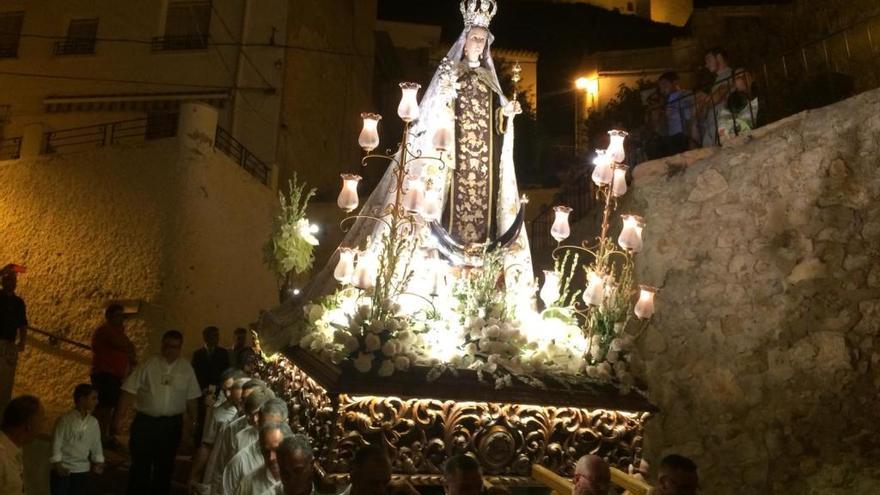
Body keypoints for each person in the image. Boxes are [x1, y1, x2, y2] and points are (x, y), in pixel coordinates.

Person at [117, 330, 201, 495]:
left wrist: (193, 424)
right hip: (146, 423)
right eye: (167, 345)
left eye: (174, 346)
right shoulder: (149, 363)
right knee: (140, 466)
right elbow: (129, 391)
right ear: (162, 345)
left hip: (170, 426)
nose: (170, 349)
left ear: (180, 347)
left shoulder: (186, 368)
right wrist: (117, 419)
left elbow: (192, 399)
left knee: (165, 468)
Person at [206, 386, 275, 494]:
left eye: (258, 414)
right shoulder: (239, 436)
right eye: (252, 414)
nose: (255, 419)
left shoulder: (281, 437)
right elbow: (221, 469)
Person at [188, 369, 247, 494]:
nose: (227, 394)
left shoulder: (254, 414)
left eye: (231, 389)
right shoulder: (219, 413)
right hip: (217, 471)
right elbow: (206, 446)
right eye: (224, 390)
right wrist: (194, 476)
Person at [220, 397, 289, 495]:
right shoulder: (240, 462)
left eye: (276, 426)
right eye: (266, 426)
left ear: (286, 423)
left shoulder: (298, 462)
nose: (272, 457)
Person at [90, 303, 136, 448]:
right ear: (109, 316)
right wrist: (129, 348)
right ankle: (96, 437)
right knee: (103, 407)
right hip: (105, 373)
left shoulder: (118, 332)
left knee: (109, 407)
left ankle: (103, 437)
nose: (121, 319)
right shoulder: (106, 331)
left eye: (122, 316)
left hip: (114, 375)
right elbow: (124, 345)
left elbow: (130, 347)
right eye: (118, 315)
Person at [49, 384, 104, 495]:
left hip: (82, 470)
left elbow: (96, 444)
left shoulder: (93, 423)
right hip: (64, 470)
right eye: (93, 398)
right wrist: (58, 465)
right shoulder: (65, 420)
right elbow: (56, 443)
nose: (97, 402)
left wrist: (98, 461)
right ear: (82, 399)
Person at [225, 422, 292, 495]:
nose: (271, 458)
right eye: (266, 452)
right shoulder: (248, 485)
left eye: (276, 450)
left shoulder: (301, 480)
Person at [0, 395, 44, 494]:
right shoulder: (1, 456)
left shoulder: (15, 450)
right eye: (42, 419)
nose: (42, 426)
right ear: (29, 424)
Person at [0, 268, 28, 411]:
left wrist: (22, 341)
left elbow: (23, 323)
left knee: (6, 382)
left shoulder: (18, 302)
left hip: (10, 344)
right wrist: (3, 270)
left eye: (14, 280)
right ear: (3, 282)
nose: (12, 283)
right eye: (9, 280)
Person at [697, 47, 733, 147]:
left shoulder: (729, 74)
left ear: (719, 57)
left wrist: (707, 99)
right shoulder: (718, 79)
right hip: (712, 127)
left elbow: (716, 99)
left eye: (708, 59)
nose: (706, 65)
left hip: (721, 126)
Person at [657, 72, 694, 156]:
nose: (662, 88)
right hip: (672, 136)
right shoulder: (668, 100)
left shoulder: (683, 95)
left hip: (681, 136)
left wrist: (690, 136)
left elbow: (689, 115)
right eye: (660, 86)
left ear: (675, 83)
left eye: (665, 84)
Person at [192, 326, 230, 392]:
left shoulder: (223, 353)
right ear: (206, 337)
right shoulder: (197, 354)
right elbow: (195, 373)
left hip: (218, 389)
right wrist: (202, 388)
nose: (218, 338)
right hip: (202, 390)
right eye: (215, 335)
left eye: (218, 335)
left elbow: (226, 371)